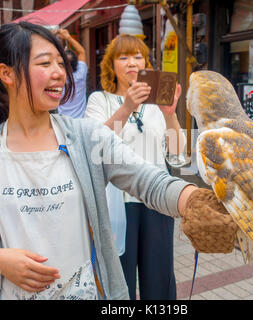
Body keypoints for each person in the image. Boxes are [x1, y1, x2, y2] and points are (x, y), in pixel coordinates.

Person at [0, 22, 213, 300]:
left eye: (61, 63)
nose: (59, 73)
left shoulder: (86, 136)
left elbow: (149, 180)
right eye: (45, 63)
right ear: (7, 73)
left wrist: (198, 201)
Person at [85, 34, 186, 300]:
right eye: (124, 57)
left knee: (160, 279)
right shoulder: (100, 100)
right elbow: (95, 147)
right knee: (121, 280)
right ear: (111, 65)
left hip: (157, 200)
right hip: (116, 205)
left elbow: (178, 155)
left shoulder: (156, 106)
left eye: (138, 56)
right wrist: (128, 106)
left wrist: (170, 114)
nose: (132, 62)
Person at [55, 28, 88, 118]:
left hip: (63, 122)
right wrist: (68, 37)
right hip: (80, 122)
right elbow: (82, 52)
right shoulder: (81, 74)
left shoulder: (57, 78)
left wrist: (53, 38)